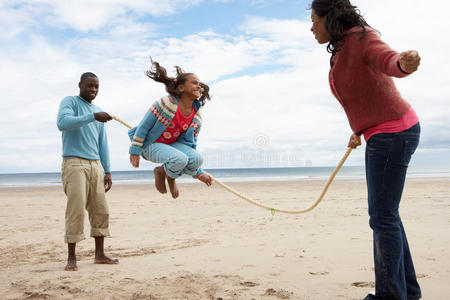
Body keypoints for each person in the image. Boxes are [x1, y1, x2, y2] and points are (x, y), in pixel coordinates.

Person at [310, 1, 422, 299]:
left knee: (382, 217)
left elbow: (387, 60)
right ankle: (407, 291)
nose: (311, 27)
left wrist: (403, 62)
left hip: (393, 133)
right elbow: (363, 93)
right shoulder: (344, 48)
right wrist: (359, 129)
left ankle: (391, 295)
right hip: (384, 133)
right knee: (388, 216)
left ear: (329, 18)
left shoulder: (362, 37)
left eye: (314, 19)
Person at [57, 72, 119, 271]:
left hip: (96, 166)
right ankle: (71, 258)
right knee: (76, 210)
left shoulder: (99, 111)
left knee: (100, 210)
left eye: (96, 87)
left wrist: (107, 170)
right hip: (74, 163)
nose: (93, 90)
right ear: (80, 85)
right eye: (89, 86)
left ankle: (99, 255)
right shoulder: (70, 102)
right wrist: (92, 116)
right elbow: (63, 123)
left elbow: (103, 144)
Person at [129, 59, 213, 198]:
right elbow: (144, 126)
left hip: (173, 145)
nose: (198, 86)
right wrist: (135, 150)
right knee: (179, 159)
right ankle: (169, 177)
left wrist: (199, 173)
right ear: (181, 88)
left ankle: (165, 172)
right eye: (194, 83)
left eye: (199, 84)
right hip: (151, 144)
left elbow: (191, 144)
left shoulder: (196, 115)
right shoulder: (165, 103)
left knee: (197, 158)